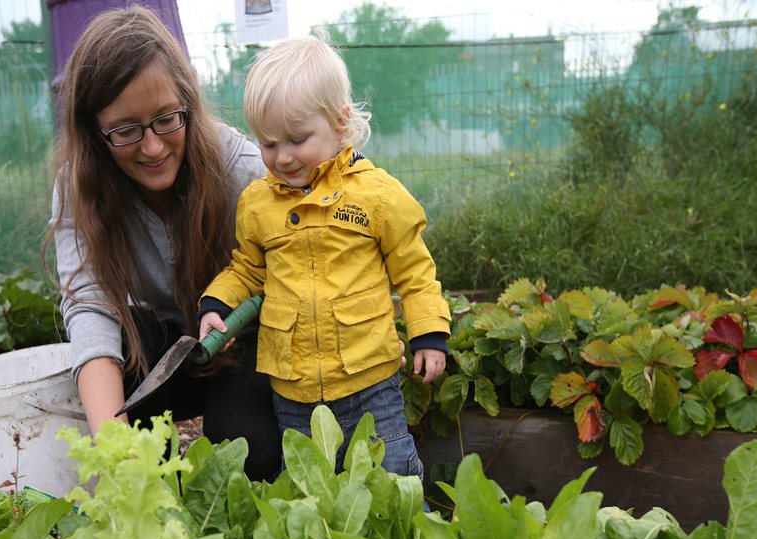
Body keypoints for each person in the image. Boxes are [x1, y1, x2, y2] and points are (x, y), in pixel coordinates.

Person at [44, 5, 281, 480]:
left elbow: (322, 244)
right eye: (127, 130)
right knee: (121, 366)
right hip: (159, 358)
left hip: (240, 343)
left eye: (167, 119)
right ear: (94, 131)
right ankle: (156, 496)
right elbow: (90, 310)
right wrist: (116, 454)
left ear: (187, 102)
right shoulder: (79, 188)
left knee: (243, 459)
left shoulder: (239, 168)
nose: (152, 147)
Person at [198, 35, 451, 477]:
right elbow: (246, 269)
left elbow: (413, 271)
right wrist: (217, 303)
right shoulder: (258, 205)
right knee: (310, 482)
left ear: (340, 123)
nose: (283, 157)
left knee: (388, 472)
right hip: (292, 389)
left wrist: (428, 333)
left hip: (368, 380)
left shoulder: (377, 195)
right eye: (269, 143)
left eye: (297, 139)